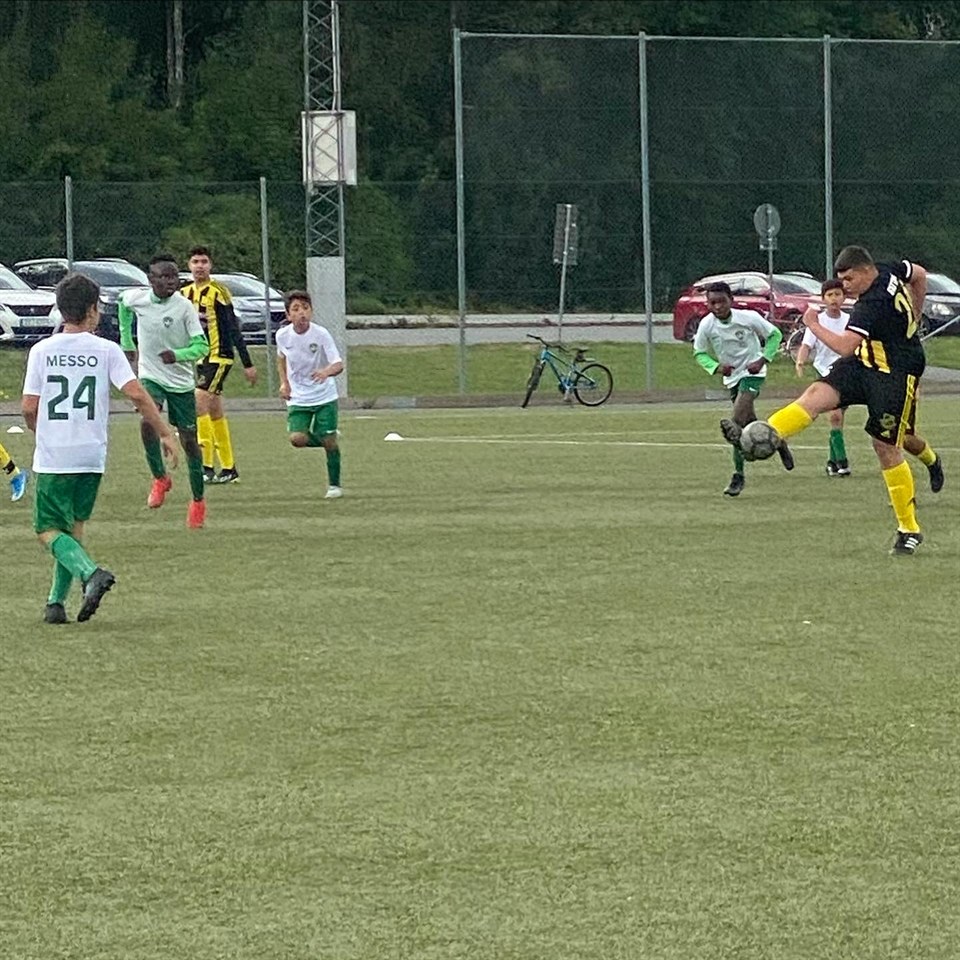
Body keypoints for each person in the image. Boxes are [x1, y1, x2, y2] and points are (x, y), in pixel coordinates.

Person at [722, 246, 940, 555]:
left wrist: (812, 325)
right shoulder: (887, 268)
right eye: (841, 279)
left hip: (895, 373)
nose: (844, 286)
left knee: (889, 444)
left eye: (849, 279)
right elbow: (919, 274)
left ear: (865, 271)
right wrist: (915, 316)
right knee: (816, 394)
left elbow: (845, 346)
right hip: (864, 362)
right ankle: (769, 435)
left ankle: (910, 527)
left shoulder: (871, 303)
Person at [21, 272, 178, 624]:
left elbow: (29, 407)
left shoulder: (42, 350)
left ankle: (90, 573)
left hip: (55, 454)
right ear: (92, 310)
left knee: (47, 530)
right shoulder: (106, 350)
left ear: (61, 310)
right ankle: (55, 604)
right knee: (74, 527)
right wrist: (165, 432)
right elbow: (137, 394)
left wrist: (40, 431)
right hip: (91, 454)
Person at [119, 253, 209, 529]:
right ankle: (160, 477)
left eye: (174, 277)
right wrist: (126, 339)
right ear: (151, 279)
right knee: (148, 420)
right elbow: (122, 303)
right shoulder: (139, 299)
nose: (171, 282)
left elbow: (202, 346)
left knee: (190, 441)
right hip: (151, 375)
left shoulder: (184, 307)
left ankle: (197, 501)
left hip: (180, 382)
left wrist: (178, 355)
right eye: (165, 277)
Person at [693, 281, 794, 497]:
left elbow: (775, 335)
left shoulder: (748, 318)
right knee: (749, 423)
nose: (718, 306)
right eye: (713, 303)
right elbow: (699, 352)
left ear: (731, 300)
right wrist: (716, 367)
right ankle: (778, 442)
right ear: (708, 304)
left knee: (735, 424)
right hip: (732, 378)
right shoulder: (707, 325)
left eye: (722, 301)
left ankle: (737, 476)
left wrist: (762, 359)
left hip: (753, 373)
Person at [181, 245, 257, 484]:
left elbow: (232, 327)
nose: (200, 266)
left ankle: (205, 466)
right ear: (189, 265)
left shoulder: (218, 292)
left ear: (210, 265)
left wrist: (247, 362)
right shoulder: (184, 293)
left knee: (198, 402)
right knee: (214, 409)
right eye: (195, 262)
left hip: (219, 356)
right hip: (200, 357)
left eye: (204, 261)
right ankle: (228, 468)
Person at [275, 290, 344, 498]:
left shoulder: (321, 334)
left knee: (329, 443)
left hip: (324, 396)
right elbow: (281, 358)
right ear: (288, 315)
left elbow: (338, 364)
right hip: (299, 397)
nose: (302, 313)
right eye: (296, 309)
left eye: (305, 308)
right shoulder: (282, 335)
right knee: (297, 439)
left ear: (311, 312)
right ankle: (328, 438)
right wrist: (284, 383)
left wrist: (325, 372)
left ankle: (334, 486)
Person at [794, 278, 852, 476]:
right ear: (823, 298)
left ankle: (832, 462)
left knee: (838, 418)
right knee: (835, 416)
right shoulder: (817, 322)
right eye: (830, 295)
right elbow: (806, 345)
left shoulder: (849, 320)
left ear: (844, 297)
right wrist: (800, 361)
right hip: (825, 371)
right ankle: (842, 462)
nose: (834, 299)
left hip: (846, 372)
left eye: (838, 294)